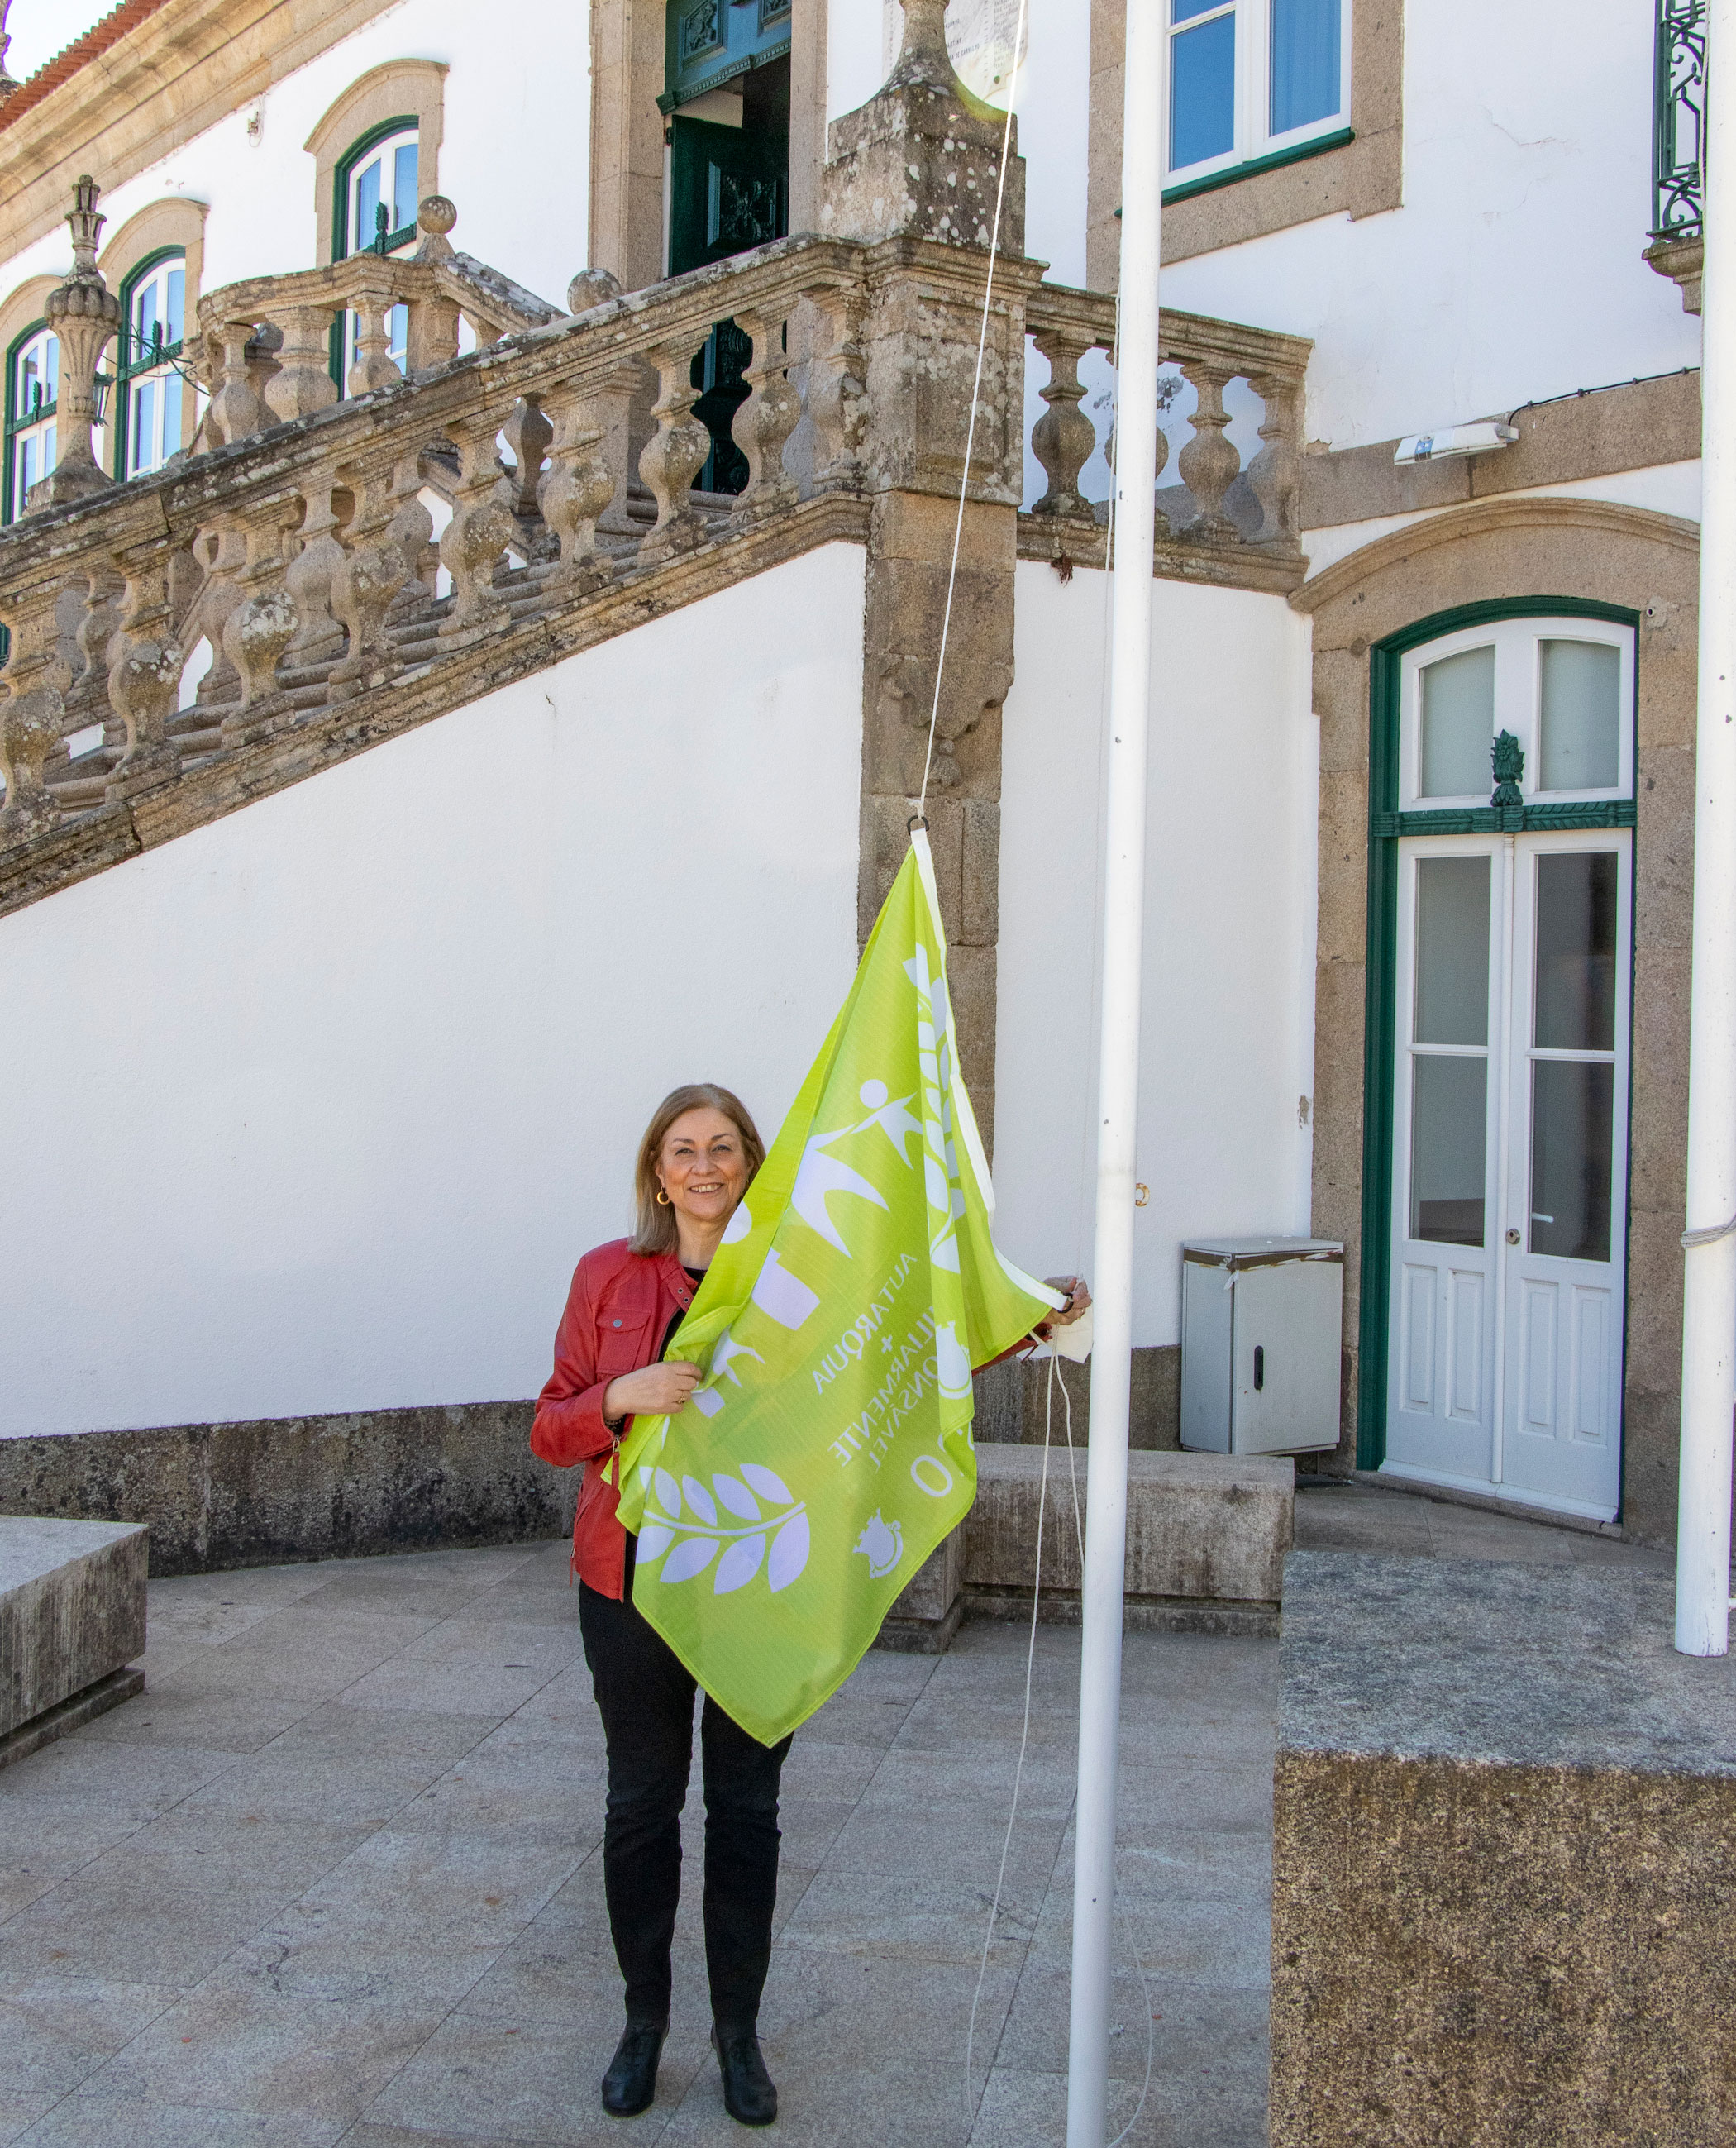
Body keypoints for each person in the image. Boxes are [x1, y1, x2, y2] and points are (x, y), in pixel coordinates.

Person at [531, 1081, 1090, 2126]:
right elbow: (551, 1423)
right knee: (640, 1807)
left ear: (753, 1163)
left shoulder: (799, 1277)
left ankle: (738, 2036)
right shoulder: (607, 1276)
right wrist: (621, 1396)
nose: (705, 1166)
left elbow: (893, 1353)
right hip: (633, 1580)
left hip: (757, 1584)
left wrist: (1025, 1320)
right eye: (684, 1150)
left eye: (726, 1148)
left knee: (746, 1810)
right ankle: (642, 2026)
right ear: (659, 1171)